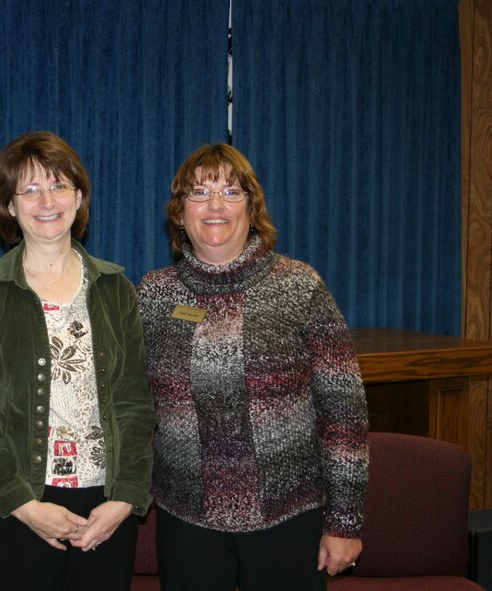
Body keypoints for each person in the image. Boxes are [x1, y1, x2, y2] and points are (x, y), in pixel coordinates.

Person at [136, 144, 369, 591]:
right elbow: (134, 406)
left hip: (288, 516)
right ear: (180, 213)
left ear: (252, 208)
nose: (216, 205)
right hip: (186, 519)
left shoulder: (300, 287)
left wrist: (344, 521)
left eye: (232, 192)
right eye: (200, 192)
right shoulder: (153, 295)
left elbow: (345, 415)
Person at [0, 131, 155, 591]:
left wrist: (126, 498)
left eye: (59, 185)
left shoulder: (116, 288)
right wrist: (24, 504)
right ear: (10, 206)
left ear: (79, 198)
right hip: (6, 509)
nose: (47, 200)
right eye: (30, 189)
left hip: (102, 511)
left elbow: (135, 404)